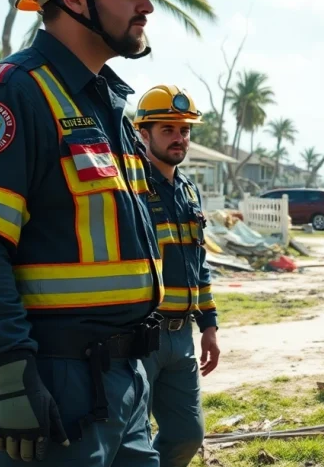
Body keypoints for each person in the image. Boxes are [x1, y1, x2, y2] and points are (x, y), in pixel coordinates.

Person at [0, 0, 178, 466]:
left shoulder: (108, 105)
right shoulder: (9, 97)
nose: (146, 5)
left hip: (122, 378)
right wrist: (14, 378)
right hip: (49, 378)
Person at [133, 85, 220, 466]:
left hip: (181, 335)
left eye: (184, 130)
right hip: (138, 335)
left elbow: (197, 263)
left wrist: (210, 326)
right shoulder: (129, 186)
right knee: (130, 439)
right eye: (168, 129)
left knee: (187, 435)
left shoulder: (187, 190)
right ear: (143, 133)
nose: (179, 138)